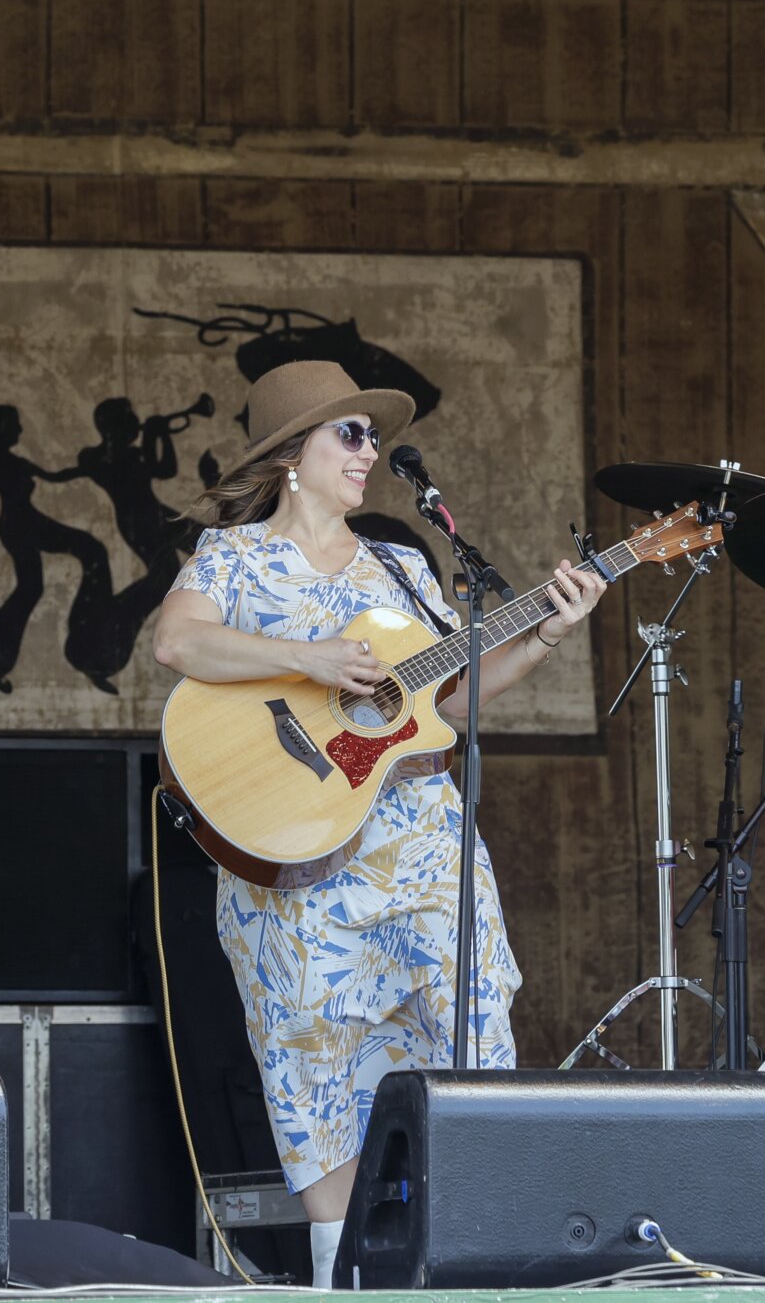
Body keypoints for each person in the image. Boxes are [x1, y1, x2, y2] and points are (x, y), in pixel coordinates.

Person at [151, 360, 607, 1288]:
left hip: (424, 854)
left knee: (476, 1058)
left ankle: (477, 1270)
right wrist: (305, 657)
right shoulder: (232, 558)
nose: (369, 453)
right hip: (303, 869)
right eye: (349, 434)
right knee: (314, 1082)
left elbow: (443, 697)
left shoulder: (400, 568)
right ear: (291, 455)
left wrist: (550, 633)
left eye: (371, 436)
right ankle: (340, 1283)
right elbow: (177, 641)